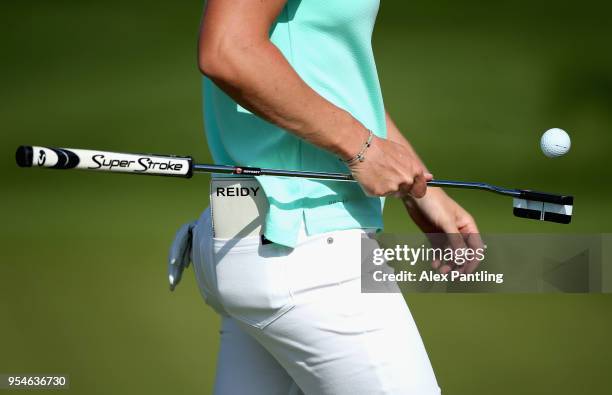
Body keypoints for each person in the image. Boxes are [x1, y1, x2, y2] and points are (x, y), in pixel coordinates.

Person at [175, 1, 480, 394]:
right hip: (304, 251)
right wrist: (362, 148)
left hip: (255, 239)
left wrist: (420, 187)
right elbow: (227, 49)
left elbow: (325, 75)